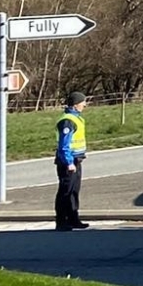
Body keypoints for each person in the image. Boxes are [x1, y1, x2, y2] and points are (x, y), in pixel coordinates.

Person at [54, 91, 90, 231]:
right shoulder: (68, 121)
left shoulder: (76, 118)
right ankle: (62, 221)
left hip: (77, 160)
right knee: (65, 192)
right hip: (68, 162)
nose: (84, 105)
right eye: (82, 102)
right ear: (75, 105)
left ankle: (74, 219)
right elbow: (64, 145)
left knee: (74, 191)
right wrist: (69, 162)